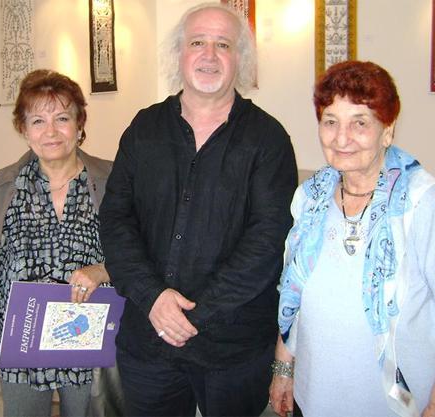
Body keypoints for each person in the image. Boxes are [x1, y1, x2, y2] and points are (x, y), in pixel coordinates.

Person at [99, 3, 298, 416]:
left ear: (241, 59)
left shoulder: (268, 139)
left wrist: (193, 315)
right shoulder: (143, 128)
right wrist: (154, 298)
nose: (209, 55)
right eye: (197, 43)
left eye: (223, 44)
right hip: (148, 340)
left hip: (233, 349)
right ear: (179, 54)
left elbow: (266, 242)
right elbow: (116, 220)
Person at [269, 60, 435, 417]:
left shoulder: (422, 202)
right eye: (330, 121)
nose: (342, 138)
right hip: (314, 399)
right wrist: (283, 369)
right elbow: (294, 295)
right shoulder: (310, 198)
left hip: (394, 405)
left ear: (387, 130)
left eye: (360, 122)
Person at [0, 69, 123, 417]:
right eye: (38, 121)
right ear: (23, 129)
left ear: (79, 124)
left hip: (88, 337)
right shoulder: (6, 186)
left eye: (62, 118)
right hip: (21, 336)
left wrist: (102, 270)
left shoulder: (112, 181)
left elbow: (138, 251)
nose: (50, 132)